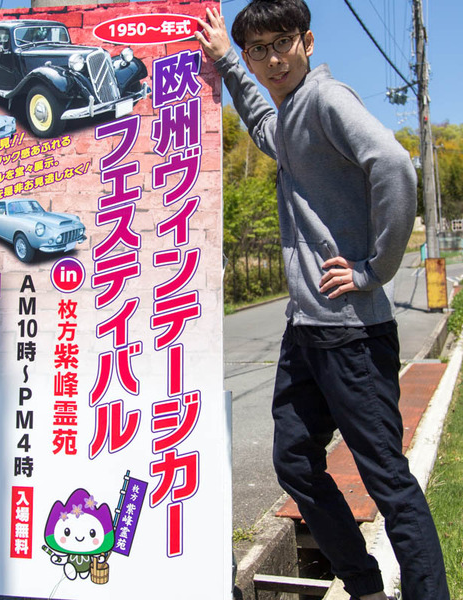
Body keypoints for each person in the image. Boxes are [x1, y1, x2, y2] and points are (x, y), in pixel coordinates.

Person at [195, 2, 450, 599]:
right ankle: (365, 587)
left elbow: (394, 165)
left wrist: (374, 269)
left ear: (306, 42)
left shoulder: (327, 99)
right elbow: (264, 125)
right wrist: (228, 63)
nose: (272, 59)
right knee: (295, 461)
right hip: (307, 329)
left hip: (352, 333)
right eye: (258, 50)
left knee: (386, 479)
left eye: (281, 42)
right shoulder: (290, 115)